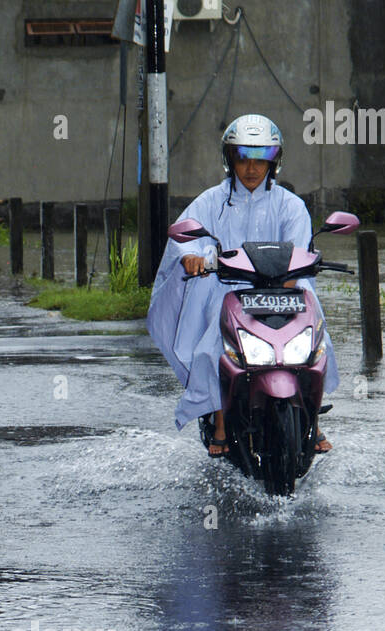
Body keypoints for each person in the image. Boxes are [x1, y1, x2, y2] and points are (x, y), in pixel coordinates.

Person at [146, 113, 338, 457]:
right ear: (230, 159)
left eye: (261, 159)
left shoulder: (290, 205)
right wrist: (192, 256)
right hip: (229, 290)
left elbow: (299, 248)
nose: (251, 168)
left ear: (274, 161)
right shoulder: (209, 201)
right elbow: (185, 235)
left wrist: (293, 274)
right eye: (243, 158)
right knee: (211, 345)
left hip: (284, 291)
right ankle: (220, 422)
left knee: (317, 328)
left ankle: (314, 421)